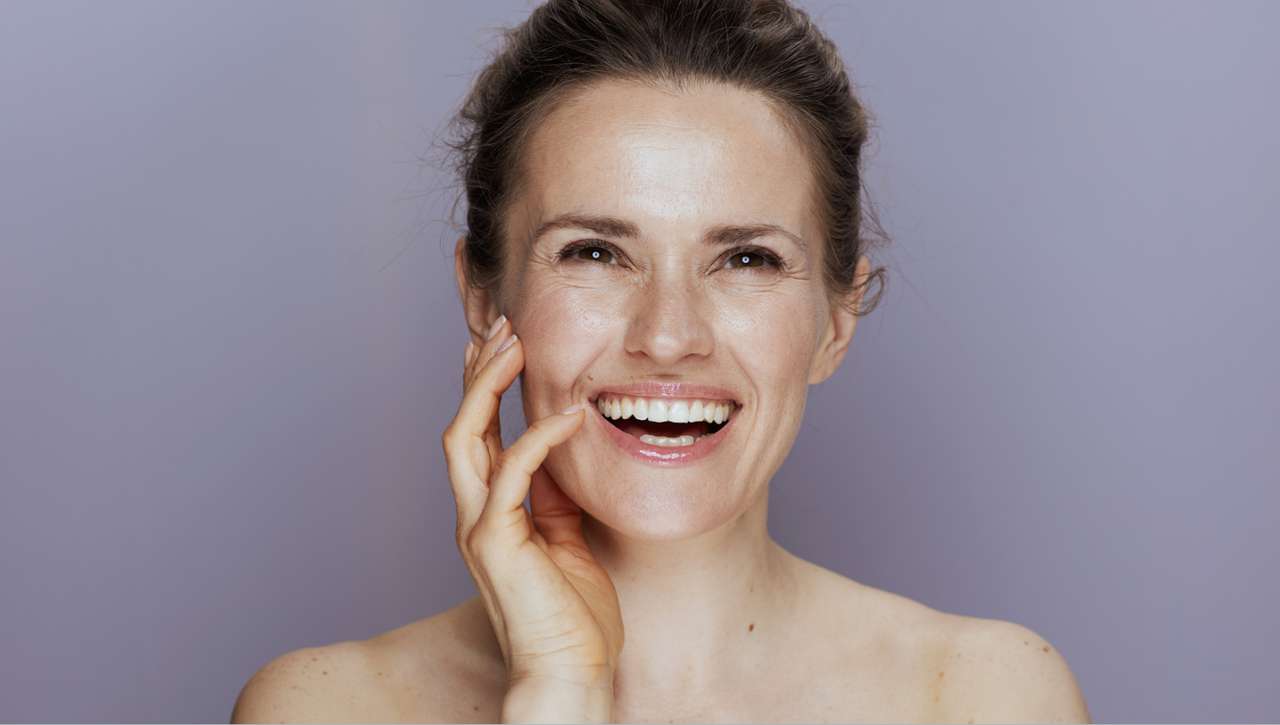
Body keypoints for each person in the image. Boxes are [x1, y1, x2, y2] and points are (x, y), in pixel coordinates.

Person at [232, 0, 1091, 722]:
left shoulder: (983, 696)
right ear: (487, 299)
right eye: (595, 253)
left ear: (835, 321)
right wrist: (561, 689)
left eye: (746, 258)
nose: (670, 335)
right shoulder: (324, 706)